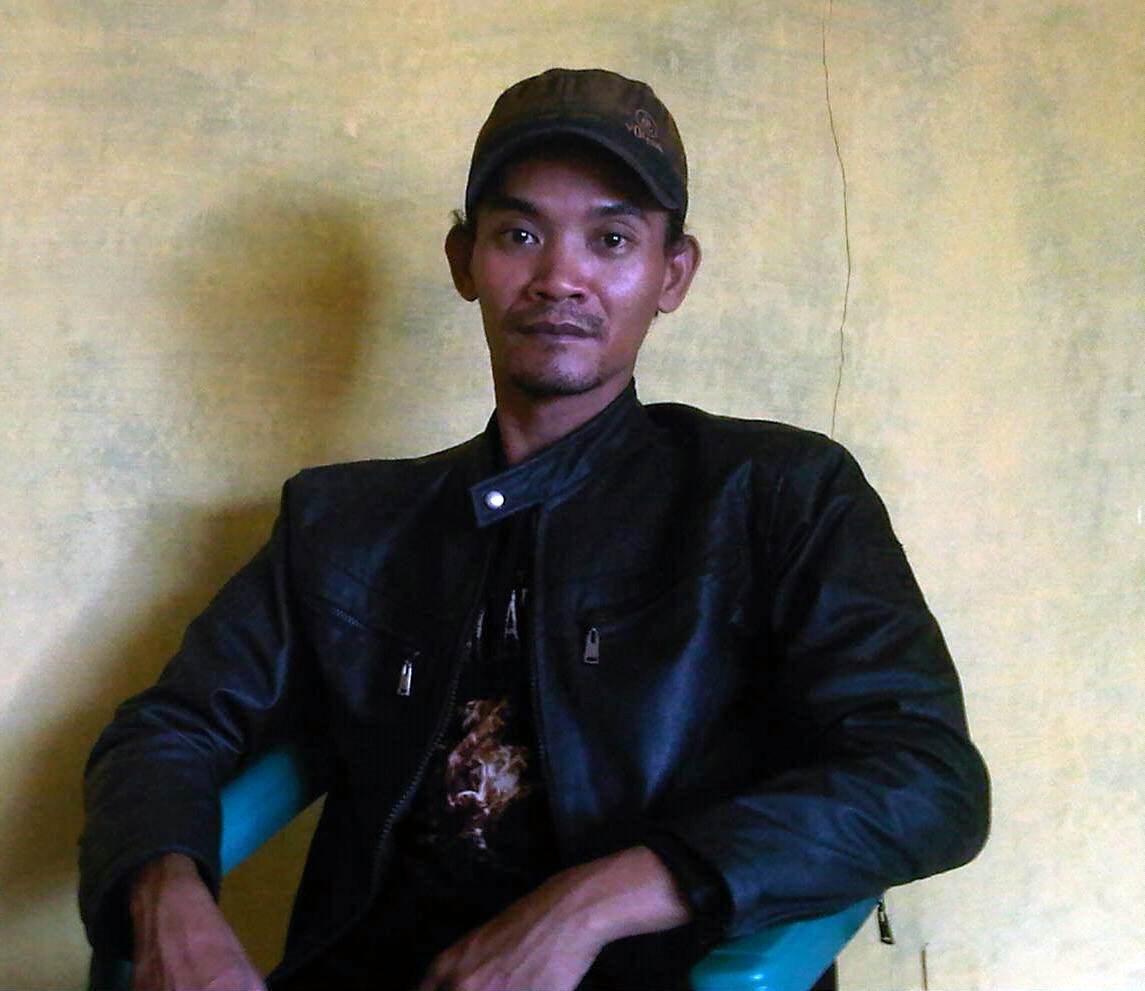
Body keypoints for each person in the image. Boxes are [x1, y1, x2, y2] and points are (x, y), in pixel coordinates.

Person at [80, 68, 990, 991]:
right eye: (519, 234)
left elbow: (924, 775)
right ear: (463, 261)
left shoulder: (776, 494)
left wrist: (588, 905)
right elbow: (167, 729)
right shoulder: (343, 522)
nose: (560, 278)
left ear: (672, 273)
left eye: (611, 238)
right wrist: (167, 903)